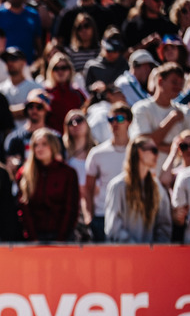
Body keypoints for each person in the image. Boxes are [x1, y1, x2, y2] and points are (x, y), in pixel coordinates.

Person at [104, 135, 172, 243]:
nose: (157, 155)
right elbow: (113, 227)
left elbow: (164, 225)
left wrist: (156, 248)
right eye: (154, 150)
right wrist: (135, 248)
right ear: (140, 152)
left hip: (151, 252)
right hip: (124, 251)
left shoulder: (156, 186)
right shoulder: (118, 186)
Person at [17, 127, 81, 242]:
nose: (39, 148)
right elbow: (24, 210)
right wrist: (33, 238)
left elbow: (71, 208)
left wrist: (61, 238)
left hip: (62, 237)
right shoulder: (24, 173)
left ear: (53, 146)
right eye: (36, 145)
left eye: (44, 144)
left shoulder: (68, 173)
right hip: (34, 237)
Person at [130, 63, 190, 163]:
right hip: (150, 171)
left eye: (181, 84)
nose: (178, 87)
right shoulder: (141, 108)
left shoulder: (186, 111)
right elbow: (143, 145)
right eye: (174, 82)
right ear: (160, 81)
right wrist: (171, 120)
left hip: (178, 170)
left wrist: (157, 145)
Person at [83, 102, 132, 243]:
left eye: (120, 119)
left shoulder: (137, 151)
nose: (114, 123)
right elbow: (88, 188)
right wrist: (88, 215)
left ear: (129, 122)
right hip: (102, 214)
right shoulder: (97, 153)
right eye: (111, 119)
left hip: (131, 215)